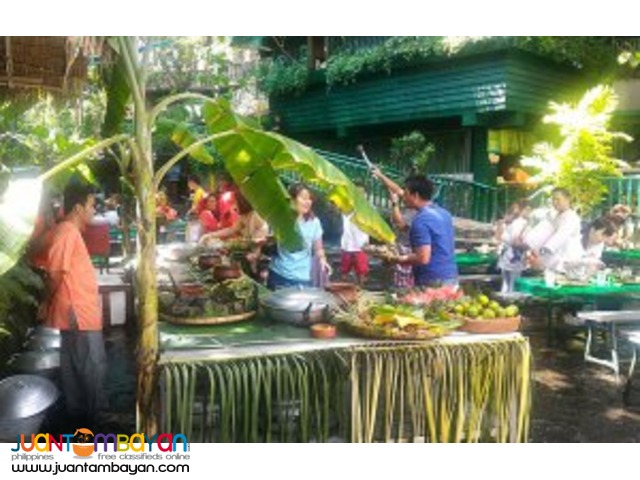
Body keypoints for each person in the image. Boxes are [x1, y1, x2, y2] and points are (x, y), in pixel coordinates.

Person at [41, 182, 108, 429]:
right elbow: (56, 271)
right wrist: (46, 302)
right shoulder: (68, 231)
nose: (93, 210)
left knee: (76, 367)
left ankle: (80, 420)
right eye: (91, 205)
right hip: (79, 312)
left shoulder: (67, 231)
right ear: (79, 207)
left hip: (77, 311)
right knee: (92, 367)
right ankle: (97, 424)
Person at [267, 183, 330, 290]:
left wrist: (323, 260)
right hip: (278, 273)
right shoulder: (280, 218)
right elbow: (270, 239)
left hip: (302, 277)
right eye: (304, 198)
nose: (307, 202)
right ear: (292, 199)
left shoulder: (314, 222)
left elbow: (318, 248)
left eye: (310, 199)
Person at [371, 168, 415, 288]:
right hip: (399, 247)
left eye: (406, 191)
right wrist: (380, 176)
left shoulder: (416, 210)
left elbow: (400, 225)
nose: (403, 193)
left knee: (404, 286)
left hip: (408, 251)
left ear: (414, 194)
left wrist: (394, 204)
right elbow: (396, 189)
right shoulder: (413, 200)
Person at [526, 187, 582, 273]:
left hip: (568, 259)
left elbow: (560, 236)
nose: (555, 202)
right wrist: (532, 246)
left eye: (558, 199)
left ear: (568, 199)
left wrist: (544, 250)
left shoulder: (572, 217)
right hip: (554, 259)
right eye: (553, 199)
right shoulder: (554, 216)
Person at [496, 199, 532, 293]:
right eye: (527, 210)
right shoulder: (521, 223)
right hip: (515, 258)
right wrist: (529, 246)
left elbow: (500, 237)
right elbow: (516, 242)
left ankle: (503, 303)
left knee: (505, 285)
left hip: (506, 257)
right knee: (514, 285)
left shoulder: (512, 222)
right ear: (522, 210)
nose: (529, 212)